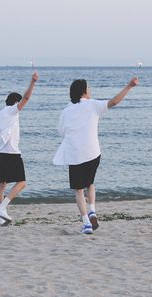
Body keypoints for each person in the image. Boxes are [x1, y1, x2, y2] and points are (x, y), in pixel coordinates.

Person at [54, 77, 138, 234]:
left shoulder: (66, 111)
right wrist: (129, 86)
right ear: (84, 91)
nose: (90, 90)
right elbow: (114, 102)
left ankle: (86, 222)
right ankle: (92, 209)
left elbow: (61, 131)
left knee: (79, 190)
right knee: (90, 184)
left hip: (75, 155)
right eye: (89, 87)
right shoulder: (93, 105)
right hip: (93, 153)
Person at [0, 72, 38, 225]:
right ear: (16, 102)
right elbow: (26, 98)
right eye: (19, 103)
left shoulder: (0, 114)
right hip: (11, 153)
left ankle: (0, 218)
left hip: (1, 152)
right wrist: (33, 82)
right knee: (22, 183)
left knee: (2, 184)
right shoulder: (12, 111)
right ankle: (2, 208)